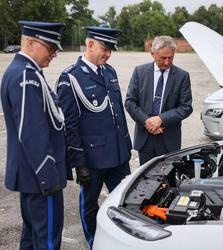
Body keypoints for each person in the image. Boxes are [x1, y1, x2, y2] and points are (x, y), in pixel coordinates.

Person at [56, 26, 132, 248]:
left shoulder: (109, 72)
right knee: (89, 206)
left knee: (125, 203)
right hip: (93, 160)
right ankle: (93, 242)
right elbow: (69, 125)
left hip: (118, 156)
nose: (108, 54)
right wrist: (79, 163)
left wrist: (126, 147)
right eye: (104, 48)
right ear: (90, 44)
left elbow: (118, 112)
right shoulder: (70, 78)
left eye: (111, 50)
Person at [0, 21, 67, 249]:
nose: (54, 54)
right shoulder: (25, 76)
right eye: (50, 48)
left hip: (32, 177)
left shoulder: (24, 71)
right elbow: (32, 133)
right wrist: (48, 177)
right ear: (30, 42)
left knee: (31, 238)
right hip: (41, 178)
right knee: (47, 241)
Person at [125, 36, 193, 165]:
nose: (167, 62)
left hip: (169, 140)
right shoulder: (140, 72)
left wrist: (161, 119)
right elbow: (130, 102)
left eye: (171, 58)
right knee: (145, 181)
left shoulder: (182, 76)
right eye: (163, 58)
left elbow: (186, 107)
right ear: (153, 54)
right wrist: (147, 122)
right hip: (145, 139)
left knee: (168, 181)